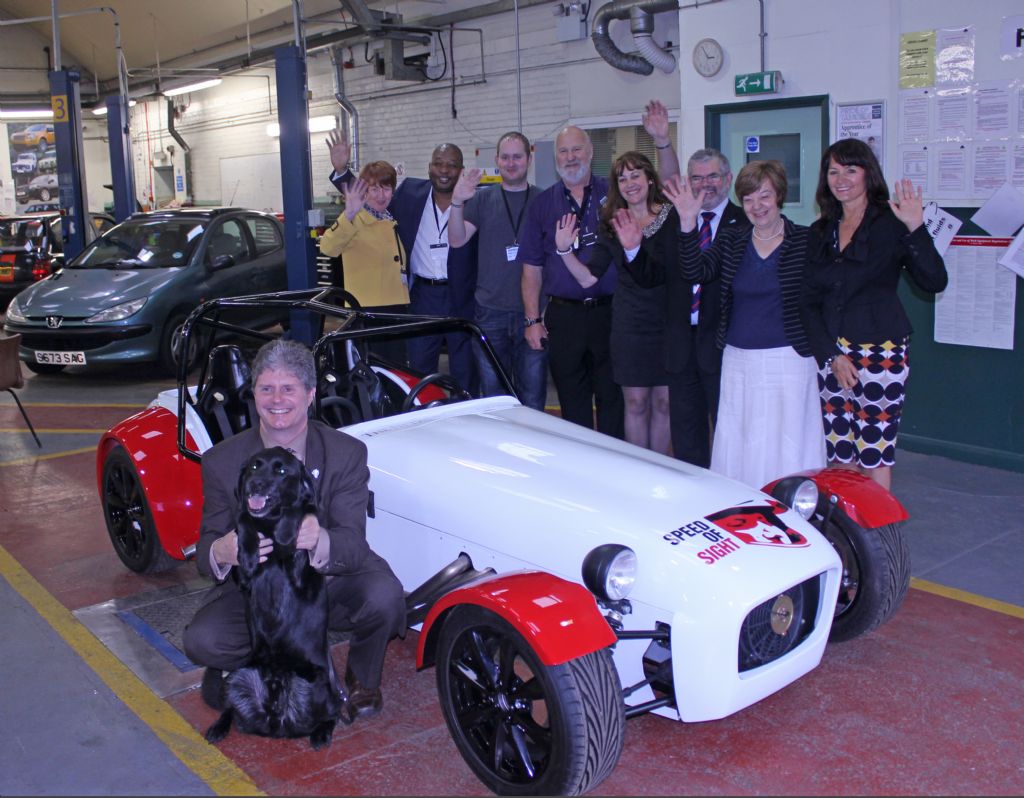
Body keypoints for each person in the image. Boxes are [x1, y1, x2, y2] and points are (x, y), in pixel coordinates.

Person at [183, 339, 406, 722]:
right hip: (265, 594)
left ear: (310, 394)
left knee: (385, 597)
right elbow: (205, 548)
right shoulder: (222, 461)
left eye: (289, 388)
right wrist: (221, 552)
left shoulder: (346, 453)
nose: (277, 399)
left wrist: (321, 539)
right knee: (203, 640)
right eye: (266, 388)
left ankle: (362, 678)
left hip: (332, 582)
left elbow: (353, 545)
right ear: (253, 395)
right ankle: (252, 664)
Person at [660, 160, 825, 489]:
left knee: (788, 440)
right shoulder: (733, 240)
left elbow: (821, 300)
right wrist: (688, 222)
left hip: (790, 361)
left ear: (780, 196)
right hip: (738, 361)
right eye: (748, 199)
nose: (756, 206)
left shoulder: (806, 241)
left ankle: (792, 506)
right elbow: (695, 271)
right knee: (741, 439)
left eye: (764, 196)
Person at [801, 138, 947, 491]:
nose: (841, 179)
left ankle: (877, 537)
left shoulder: (892, 223)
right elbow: (807, 302)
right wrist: (832, 356)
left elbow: (934, 280)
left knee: (874, 452)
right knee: (840, 451)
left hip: (880, 354)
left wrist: (916, 227)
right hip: (833, 356)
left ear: (869, 174)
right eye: (833, 171)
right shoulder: (821, 231)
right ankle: (847, 534)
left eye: (851, 169)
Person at [327, 132, 477, 394]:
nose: (444, 170)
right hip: (422, 296)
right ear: (429, 167)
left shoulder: (474, 199)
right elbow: (368, 194)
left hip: (461, 296)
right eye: (438, 163)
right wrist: (341, 170)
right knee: (417, 367)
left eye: (451, 165)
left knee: (465, 369)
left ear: (461, 170)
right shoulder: (409, 194)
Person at [554, 151, 674, 454]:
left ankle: (660, 471)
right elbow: (588, 278)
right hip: (629, 326)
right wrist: (564, 252)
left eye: (636, 175)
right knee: (634, 403)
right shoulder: (612, 222)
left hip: (667, 322)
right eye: (622, 178)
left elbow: (665, 272)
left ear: (649, 178)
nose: (630, 183)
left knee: (663, 403)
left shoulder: (671, 217)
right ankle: (640, 471)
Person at [518, 126, 624, 437]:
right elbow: (531, 268)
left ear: (591, 152)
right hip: (564, 317)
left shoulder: (615, 196)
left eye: (576, 149)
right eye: (563, 151)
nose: (570, 157)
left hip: (611, 314)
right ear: (555, 159)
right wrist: (532, 319)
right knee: (572, 401)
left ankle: (615, 468)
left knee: (612, 398)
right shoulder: (542, 205)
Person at [447, 132, 546, 410]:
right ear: (497, 160)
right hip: (490, 313)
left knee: (533, 398)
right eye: (505, 157)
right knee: (493, 400)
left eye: (517, 156)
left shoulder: (543, 200)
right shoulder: (481, 199)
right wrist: (456, 202)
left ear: (529, 158)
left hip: (532, 314)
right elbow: (456, 240)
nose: (511, 163)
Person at [319, 159, 409, 365]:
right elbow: (328, 247)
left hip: (396, 308)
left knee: (397, 370)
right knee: (370, 371)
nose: (381, 195)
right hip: (366, 310)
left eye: (386, 188)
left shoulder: (390, 220)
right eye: (374, 189)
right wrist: (348, 213)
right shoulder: (355, 219)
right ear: (365, 192)